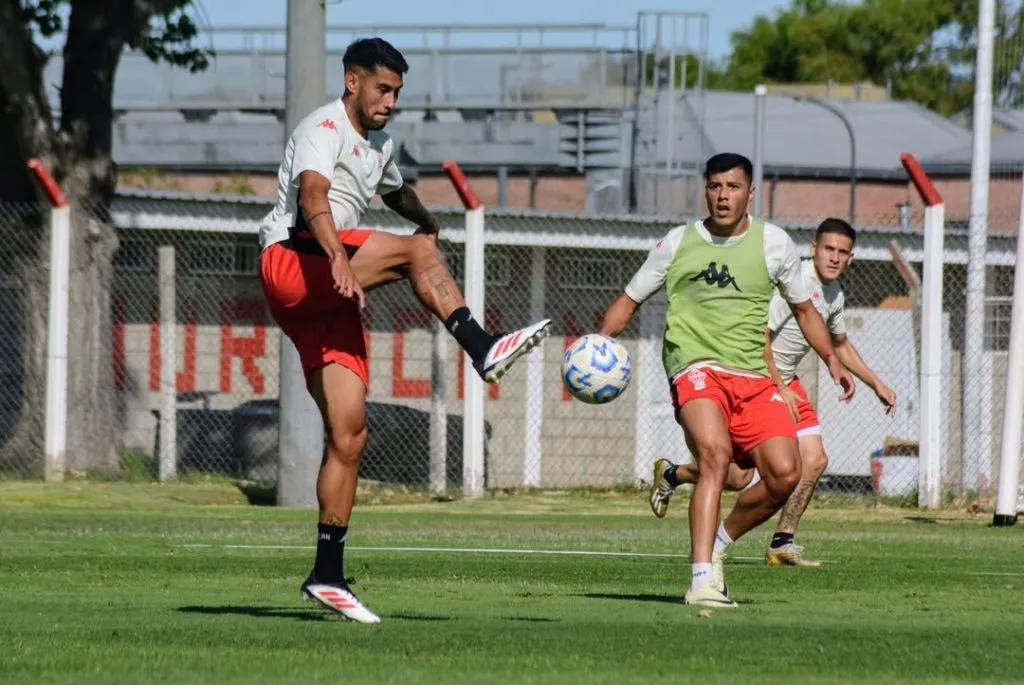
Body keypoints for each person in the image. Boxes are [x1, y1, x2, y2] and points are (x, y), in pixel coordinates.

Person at [257, 37, 551, 623]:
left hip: (325, 293)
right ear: (352, 83)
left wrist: (428, 219)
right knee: (418, 256)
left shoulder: (380, 145)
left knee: (349, 435)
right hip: (295, 262)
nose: (390, 100)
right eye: (382, 89)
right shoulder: (323, 125)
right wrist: (341, 257)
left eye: (397, 92)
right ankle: (483, 347)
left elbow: (394, 189)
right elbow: (313, 194)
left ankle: (327, 574)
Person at [598, 152, 854, 608]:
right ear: (706, 190)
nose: (723, 196)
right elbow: (629, 300)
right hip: (694, 366)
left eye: (733, 187)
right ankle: (701, 581)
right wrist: (596, 344)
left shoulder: (774, 243)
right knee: (716, 456)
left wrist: (832, 359)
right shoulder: (677, 243)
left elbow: (804, 311)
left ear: (749, 193)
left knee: (785, 473)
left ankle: (717, 544)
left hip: (753, 374)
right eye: (715, 186)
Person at [649, 218, 897, 567]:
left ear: (850, 258)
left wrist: (877, 384)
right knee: (736, 477)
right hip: (759, 378)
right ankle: (674, 475)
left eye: (842, 252)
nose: (834, 258)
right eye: (828, 249)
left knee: (814, 460)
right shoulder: (796, 283)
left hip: (787, 382)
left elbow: (839, 343)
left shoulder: (834, 293)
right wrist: (778, 385)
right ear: (813, 249)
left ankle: (781, 540)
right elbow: (760, 336)